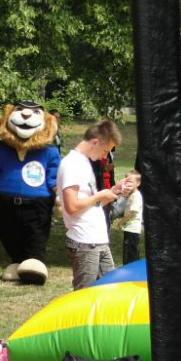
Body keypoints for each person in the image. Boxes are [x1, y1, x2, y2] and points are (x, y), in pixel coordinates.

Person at [56, 120, 128, 290]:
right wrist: (100, 195)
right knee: (84, 296)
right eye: (105, 150)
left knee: (111, 291)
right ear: (95, 142)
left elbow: (92, 204)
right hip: (85, 242)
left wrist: (114, 191)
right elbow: (72, 206)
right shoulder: (72, 164)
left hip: (98, 240)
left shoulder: (84, 162)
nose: (105, 156)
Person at [115, 170, 144, 265]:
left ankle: (130, 272)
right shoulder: (131, 194)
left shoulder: (136, 196)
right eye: (126, 181)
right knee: (129, 252)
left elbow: (132, 212)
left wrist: (121, 222)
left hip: (132, 229)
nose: (127, 183)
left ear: (138, 183)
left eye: (130, 181)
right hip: (129, 228)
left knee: (130, 254)